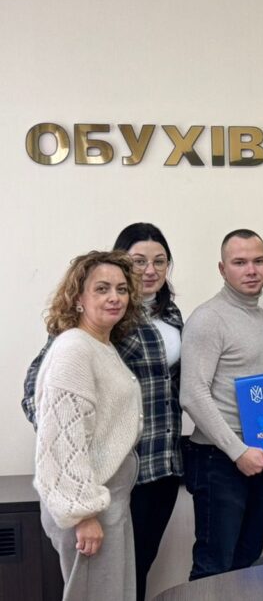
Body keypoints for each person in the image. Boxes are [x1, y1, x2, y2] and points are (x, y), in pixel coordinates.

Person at [22, 223, 185, 601]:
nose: (150, 270)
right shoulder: (75, 345)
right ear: (79, 297)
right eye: (139, 261)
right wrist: (81, 506)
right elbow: (50, 417)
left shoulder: (142, 327)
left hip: (149, 473)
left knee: (125, 585)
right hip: (98, 491)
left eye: (160, 261)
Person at [33, 251, 145, 600]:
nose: (115, 297)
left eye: (121, 289)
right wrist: (83, 515)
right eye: (102, 288)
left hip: (107, 501)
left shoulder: (101, 345)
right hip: (87, 507)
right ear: (78, 298)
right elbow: (62, 439)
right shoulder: (74, 349)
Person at [181, 229, 263, 580]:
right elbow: (192, 394)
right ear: (222, 269)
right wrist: (238, 451)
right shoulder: (209, 318)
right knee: (213, 568)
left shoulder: (258, 316)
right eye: (240, 262)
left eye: (258, 261)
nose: (251, 270)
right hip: (220, 459)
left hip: (256, 454)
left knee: (246, 564)